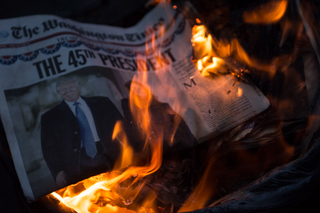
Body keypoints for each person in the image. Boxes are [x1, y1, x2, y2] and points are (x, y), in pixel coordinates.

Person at [41, 77, 123, 188]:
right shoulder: (49, 117)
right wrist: (58, 172)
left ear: (79, 87)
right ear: (58, 93)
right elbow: (49, 149)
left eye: (71, 87)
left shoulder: (102, 102)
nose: (68, 91)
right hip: (77, 162)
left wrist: (134, 149)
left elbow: (124, 127)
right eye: (63, 89)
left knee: (121, 185)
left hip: (110, 152)